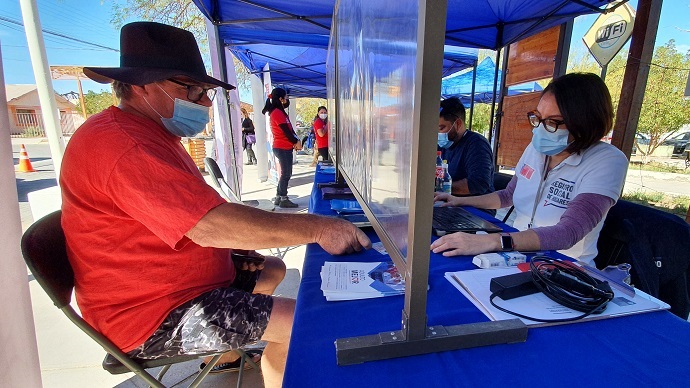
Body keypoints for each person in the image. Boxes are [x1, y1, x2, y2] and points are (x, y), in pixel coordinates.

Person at [61, 22, 371, 388]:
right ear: (142, 85)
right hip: (152, 312)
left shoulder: (151, 132)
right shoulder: (122, 144)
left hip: (172, 282)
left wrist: (243, 240)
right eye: (191, 89)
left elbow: (188, 212)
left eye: (204, 91)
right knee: (303, 324)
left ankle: (223, 358)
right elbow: (208, 224)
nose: (204, 101)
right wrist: (318, 227)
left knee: (272, 269)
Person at [431, 73, 628, 265]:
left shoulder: (607, 161)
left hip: (563, 266)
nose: (540, 129)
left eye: (552, 122)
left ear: (585, 124)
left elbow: (569, 232)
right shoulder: (536, 149)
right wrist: (458, 201)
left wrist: (492, 241)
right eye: (538, 118)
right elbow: (508, 195)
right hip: (514, 254)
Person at [437, 97, 495, 198]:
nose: (437, 134)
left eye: (441, 128)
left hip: (474, 207)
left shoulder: (477, 144)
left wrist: (440, 187)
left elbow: (478, 184)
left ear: (458, 124)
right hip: (449, 201)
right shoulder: (443, 146)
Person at [262, 88, 302, 208]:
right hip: (282, 147)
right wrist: (295, 141)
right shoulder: (277, 113)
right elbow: (286, 132)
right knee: (286, 173)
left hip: (285, 146)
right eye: (285, 98)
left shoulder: (280, 112)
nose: (286, 100)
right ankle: (283, 198)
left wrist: (296, 141)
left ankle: (279, 196)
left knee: (285, 173)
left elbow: (290, 130)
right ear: (280, 99)